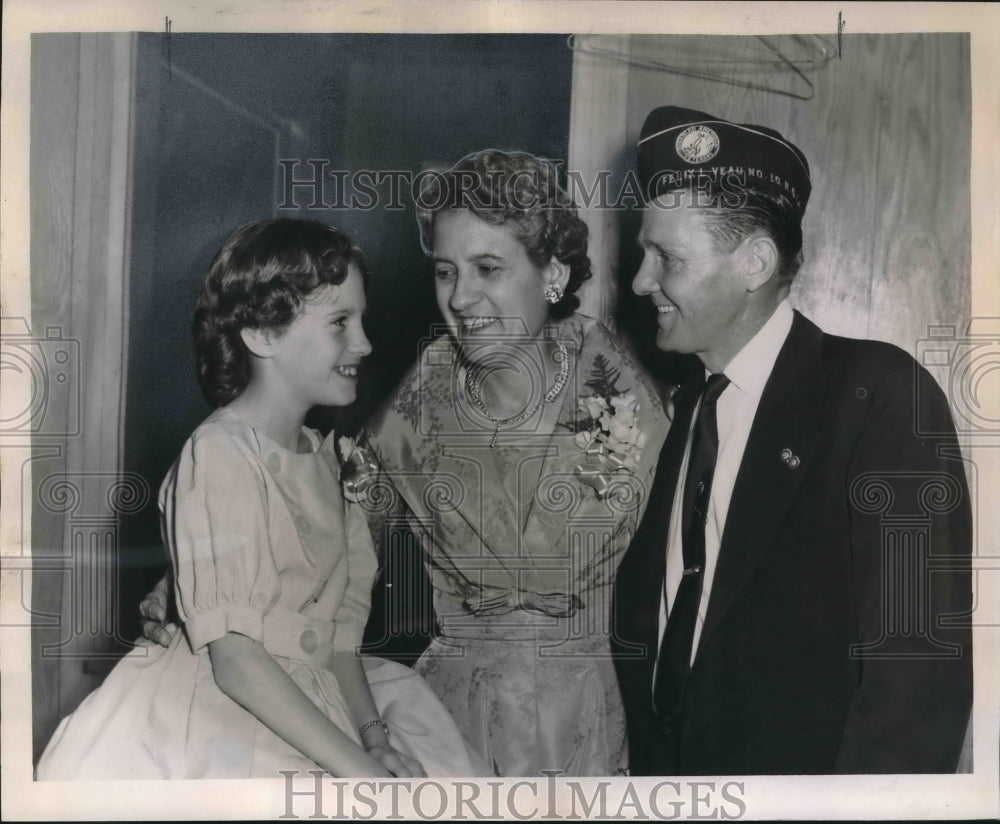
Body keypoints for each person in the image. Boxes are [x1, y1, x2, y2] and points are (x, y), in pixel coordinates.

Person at [37, 219, 484, 779]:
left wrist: (374, 743)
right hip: (223, 711)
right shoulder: (220, 454)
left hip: (316, 704)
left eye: (361, 319)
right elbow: (239, 664)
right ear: (262, 334)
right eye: (340, 322)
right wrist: (356, 771)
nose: (365, 342)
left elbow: (338, 642)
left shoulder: (330, 461)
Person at [611, 106, 973, 775]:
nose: (639, 281)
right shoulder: (685, 405)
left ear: (754, 261)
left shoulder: (881, 397)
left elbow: (916, 682)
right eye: (643, 252)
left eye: (668, 257)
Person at [353, 149, 670, 776]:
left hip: (590, 715)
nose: (462, 298)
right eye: (445, 272)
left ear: (551, 273)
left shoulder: (622, 387)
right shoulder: (419, 400)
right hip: (447, 724)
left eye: (488, 268)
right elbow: (329, 532)